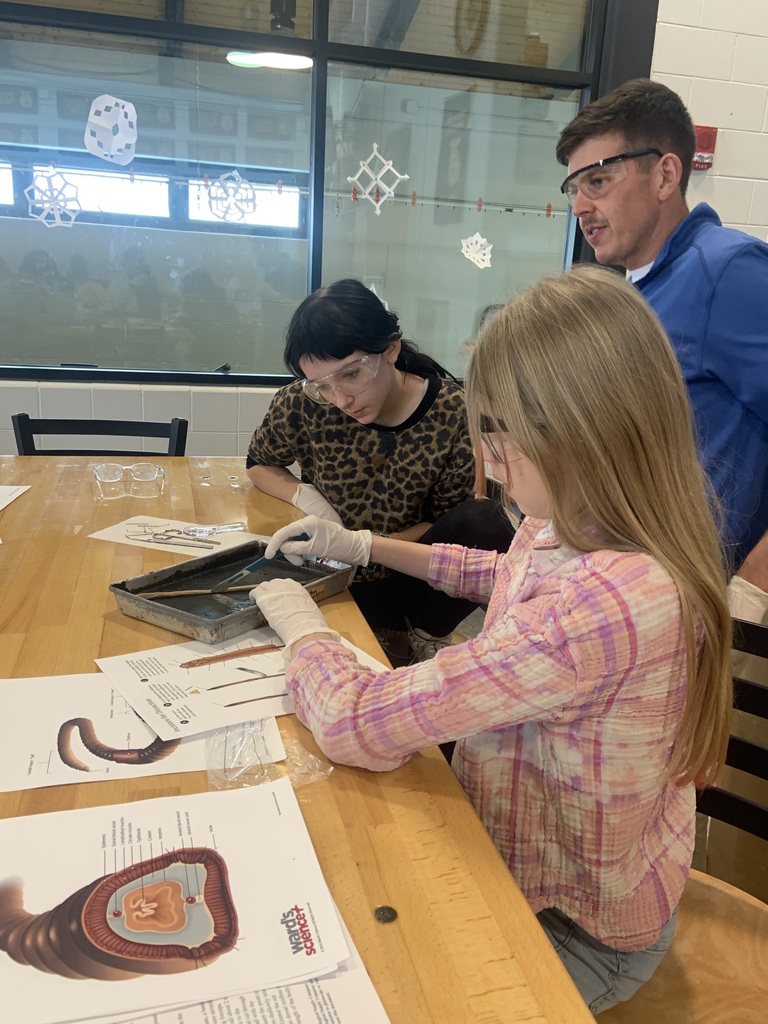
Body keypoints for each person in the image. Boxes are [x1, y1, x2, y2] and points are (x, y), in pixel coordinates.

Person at [250, 266, 732, 1014]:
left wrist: (303, 629)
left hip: (575, 929)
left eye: (504, 445)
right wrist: (363, 545)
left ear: (588, 433)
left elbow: (354, 721)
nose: (493, 469)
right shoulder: (585, 519)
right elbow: (497, 570)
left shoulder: (611, 603)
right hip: (537, 860)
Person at [555, 77, 768, 641]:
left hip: (700, 601)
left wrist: (754, 582)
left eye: (598, 180)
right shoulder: (637, 290)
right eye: (574, 187)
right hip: (637, 585)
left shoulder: (726, 273)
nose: (581, 206)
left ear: (666, 175)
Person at [246, 277, 514, 663]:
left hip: (410, 573)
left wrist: (363, 545)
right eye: (321, 385)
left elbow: (444, 524)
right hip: (328, 569)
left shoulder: (453, 412)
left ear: (390, 350)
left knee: (489, 519)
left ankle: (424, 635)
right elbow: (259, 462)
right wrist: (311, 502)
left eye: (352, 375)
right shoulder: (304, 403)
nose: (340, 400)